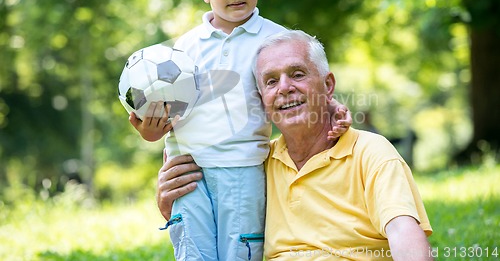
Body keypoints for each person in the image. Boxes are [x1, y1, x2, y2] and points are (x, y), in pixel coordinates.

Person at [127, 0, 350, 261]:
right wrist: (150, 131)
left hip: (243, 169)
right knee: (194, 252)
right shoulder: (183, 51)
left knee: (241, 251)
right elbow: (167, 116)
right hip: (189, 169)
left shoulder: (274, 40)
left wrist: (333, 108)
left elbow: (305, 84)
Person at [157, 30, 434, 261]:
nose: (284, 88)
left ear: (328, 86)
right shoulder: (258, 164)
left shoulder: (369, 151)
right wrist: (171, 204)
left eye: (298, 74)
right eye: (271, 81)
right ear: (261, 99)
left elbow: (403, 231)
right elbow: (223, 225)